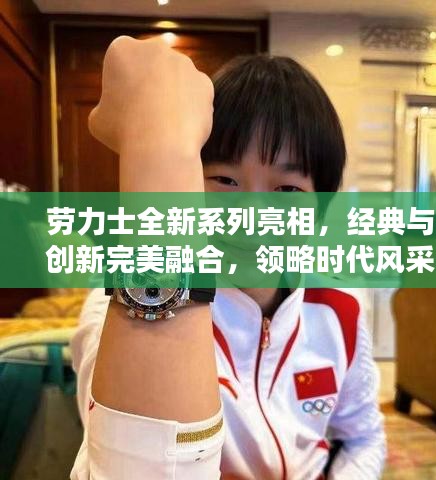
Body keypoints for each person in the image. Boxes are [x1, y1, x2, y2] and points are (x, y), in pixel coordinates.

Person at [70, 35, 386, 480]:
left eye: (287, 189)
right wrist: (156, 144)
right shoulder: (121, 310)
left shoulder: (340, 307)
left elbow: (363, 436)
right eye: (224, 179)